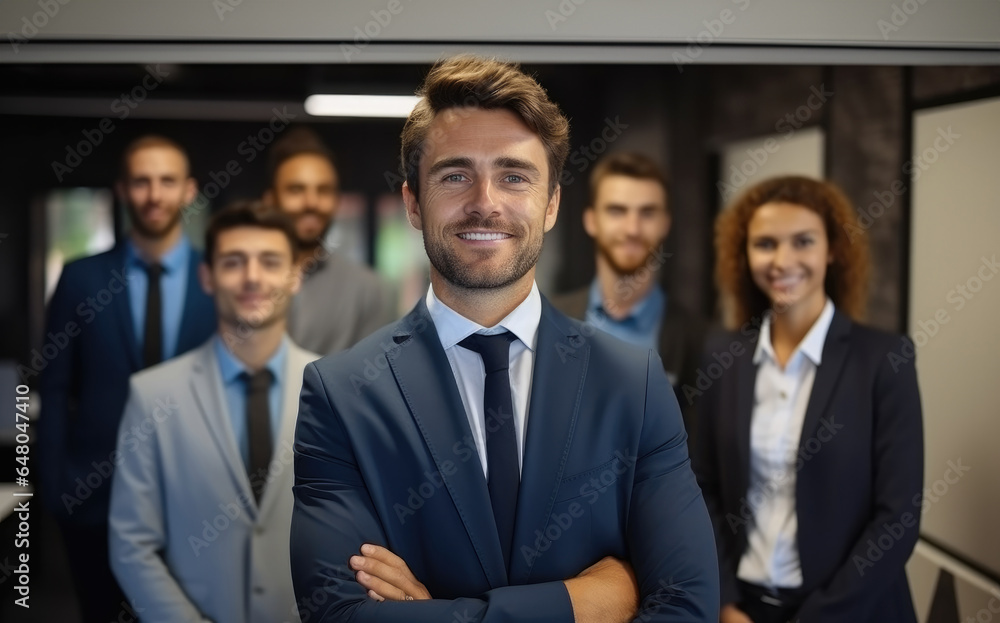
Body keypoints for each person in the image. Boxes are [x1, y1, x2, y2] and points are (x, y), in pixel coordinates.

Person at [289, 55, 719, 623]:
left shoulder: (633, 384)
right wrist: (578, 603)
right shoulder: (340, 394)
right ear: (414, 202)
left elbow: (687, 606)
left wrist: (439, 612)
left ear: (552, 204)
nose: (485, 201)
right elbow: (338, 616)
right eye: (455, 174)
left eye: (514, 176)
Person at [692, 176, 923, 623]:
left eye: (803, 242)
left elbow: (897, 518)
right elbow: (702, 486)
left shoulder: (885, 360)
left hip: (855, 612)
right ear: (745, 254)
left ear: (832, 249)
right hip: (745, 610)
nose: (783, 260)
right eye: (765, 244)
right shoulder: (721, 357)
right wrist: (725, 602)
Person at [109, 201, 318, 623]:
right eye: (233, 262)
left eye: (270, 261)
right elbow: (131, 542)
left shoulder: (339, 391)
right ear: (207, 276)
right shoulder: (152, 395)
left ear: (295, 275)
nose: (253, 277)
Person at [38, 134, 216, 621]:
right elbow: (50, 389)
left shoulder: (218, 280)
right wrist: (51, 488)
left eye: (166, 181)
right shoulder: (81, 279)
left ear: (188, 190)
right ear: (122, 190)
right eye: (141, 181)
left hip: (196, 501)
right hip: (95, 498)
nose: (154, 194)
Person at [551, 151, 706, 434]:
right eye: (617, 211)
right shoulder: (546, 318)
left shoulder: (700, 341)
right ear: (591, 221)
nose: (632, 228)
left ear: (665, 224)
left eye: (647, 212)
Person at [262, 127, 393, 354]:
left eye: (324, 190)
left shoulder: (367, 290)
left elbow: (374, 381)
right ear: (270, 199)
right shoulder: (243, 280)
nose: (311, 202)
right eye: (296, 189)